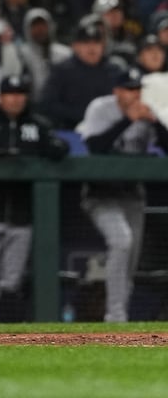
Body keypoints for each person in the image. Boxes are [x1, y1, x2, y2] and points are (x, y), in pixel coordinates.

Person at [0, 75, 69, 323]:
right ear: (0, 97)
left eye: (20, 93)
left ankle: (9, 336)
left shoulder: (38, 124)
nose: (15, 99)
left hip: (22, 216)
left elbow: (61, 148)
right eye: (10, 94)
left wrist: (45, 151)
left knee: (11, 280)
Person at [76, 67, 168, 322]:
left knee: (130, 260)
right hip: (100, 194)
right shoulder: (101, 108)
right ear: (117, 90)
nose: (134, 94)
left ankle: (119, 318)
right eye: (129, 89)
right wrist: (127, 119)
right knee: (121, 241)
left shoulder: (145, 109)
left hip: (133, 195)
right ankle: (115, 316)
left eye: (137, 89)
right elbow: (95, 146)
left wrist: (155, 123)